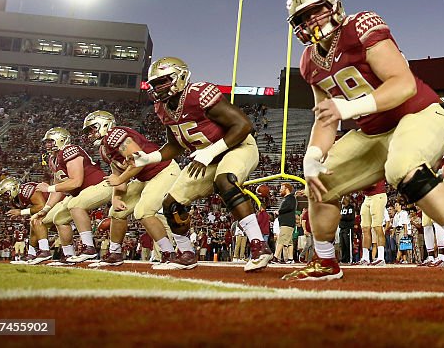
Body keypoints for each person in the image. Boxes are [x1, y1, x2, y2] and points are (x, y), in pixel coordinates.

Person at [281, 0, 444, 285]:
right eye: (303, 17)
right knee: (321, 179)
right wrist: (313, 157)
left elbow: (403, 83)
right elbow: (325, 117)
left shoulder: (360, 28)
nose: (311, 21)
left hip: (417, 114)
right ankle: (325, 260)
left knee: (403, 168)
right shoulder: (308, 62)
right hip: (373, 133)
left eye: (316, 11)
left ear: (334, 6)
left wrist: (348, 108)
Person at [131, 56, 271, 272]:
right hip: (206, 158)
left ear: (181, 76)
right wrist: (150, 158)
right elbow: (175, 145)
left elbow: (243, 125)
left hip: (238, 146)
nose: (159, 87)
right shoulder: (162, 107)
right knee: (171, 204)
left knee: (225, 181)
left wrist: (210, 151)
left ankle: (259, 246)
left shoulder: (198, 94)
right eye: (156, 83)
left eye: (163, 81)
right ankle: (186, 253)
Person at [85, 111, 180, 268]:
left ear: (104, 125)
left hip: (163, 170)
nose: (90, 135)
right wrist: (116, 198)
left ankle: (169, 254)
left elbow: (139, 159)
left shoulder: (114, 135)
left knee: (143, 211)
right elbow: (117, 175)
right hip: (144, 178)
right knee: (116, 212)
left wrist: (121, 179)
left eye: (92, 129)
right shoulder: (104, 149)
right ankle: (115, 253)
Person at [32, 126, 112, 265]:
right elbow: (58, 189)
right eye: (46, 142)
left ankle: (90, 248)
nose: (47, 145)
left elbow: (76, 181)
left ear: (61, 139)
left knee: (75, 205)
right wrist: (46, 208)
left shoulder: (69, 150)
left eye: (51, 141)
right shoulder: (53, 159)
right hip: (81, 193)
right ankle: (69, 255)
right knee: (59, 218)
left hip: (100, 185)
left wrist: (49, 187)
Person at [0, 177, 48, 263]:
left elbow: (41, 206)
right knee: (33, 223)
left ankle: (45, 250)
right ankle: (32, 253)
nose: (5, 198)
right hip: (48, 208)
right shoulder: (16, 199)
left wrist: (21, 212)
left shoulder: (26, 189)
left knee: (36, 220)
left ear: (13, 188)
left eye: (6, 194)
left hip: (56, 204)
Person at [358, 179, 388, 265]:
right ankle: (365, 257)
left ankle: (381, 257)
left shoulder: (374, 166)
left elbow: (373, 183)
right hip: (367, 197)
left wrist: (358, 184)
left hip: (378, 195)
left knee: (377, 226)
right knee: (365, 228)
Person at [274, 183, 297, 263]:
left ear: (286, 189)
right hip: (286, 223)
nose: (280, 190)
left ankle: (275, 257)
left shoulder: (290, 198)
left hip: (287, 223)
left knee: (281, 240)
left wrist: (279, 211)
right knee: (289, 242)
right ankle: (291, 259)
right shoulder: (287, 198)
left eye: (282, 188)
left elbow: (289, 207)